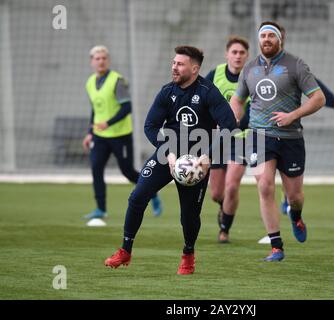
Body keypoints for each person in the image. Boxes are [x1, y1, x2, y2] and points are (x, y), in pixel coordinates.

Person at [104, 46, 237, 274]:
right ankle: (125, 250)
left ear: (194, 69)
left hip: (195, 163)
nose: (174, 67)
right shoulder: (167, 92)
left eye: (180, 64)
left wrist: (207, 157)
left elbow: (229, 124)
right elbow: (150, 126)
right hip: (168, 154)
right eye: (173, 62)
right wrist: (169, 153)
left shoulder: (207, 91)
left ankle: (188, 254)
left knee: (189, 216)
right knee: (137, 197)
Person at [230, 21, 326, 261]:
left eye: (271, 36)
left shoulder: (296, 65)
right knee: (264, 186)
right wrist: (233, 117)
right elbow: (237, 100)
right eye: (263, 36)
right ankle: (276, 246)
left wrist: (292, 115)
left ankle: (296, 216)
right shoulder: (249, 69)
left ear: (279, 39)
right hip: (259, 136)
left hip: (291, 138)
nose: (267, 40)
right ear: (259, 40)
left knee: (295, 195)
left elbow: (319, 98)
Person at [82, 45, 162, 219]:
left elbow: (127, 107)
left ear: (108, 60)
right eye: (97, 58)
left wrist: (108, 123)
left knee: (127, 171)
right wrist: (90, 132)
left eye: (104, 58)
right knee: (96, 169)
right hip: (100, 136)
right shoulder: (89, 83)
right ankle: (101, 209)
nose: (101, 61)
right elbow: (95, 110)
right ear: (91, 62)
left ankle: (153, 193)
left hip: (120, 136)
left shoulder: (117, 80)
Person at [205, 36, 250, 243]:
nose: (238, 56)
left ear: (247, 56)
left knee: (232, 186)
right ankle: (225, 207)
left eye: (242, 53)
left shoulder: (251, 77)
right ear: (227, 55)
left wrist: (234, 124)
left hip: (241, 139)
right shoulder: (215, 74)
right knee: (216, 193)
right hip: (217, 139)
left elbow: (252, 111)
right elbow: (202, 99)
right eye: (234, 52)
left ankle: (225, 229)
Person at [279, 79, 334, 215]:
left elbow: (312, 83)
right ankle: (274, 235)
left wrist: (333, 101)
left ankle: (292, 208)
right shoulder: (253, 72)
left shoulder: (292, 67)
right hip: (261, 132)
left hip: (289, 132)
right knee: (265, 185)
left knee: (292, 190)